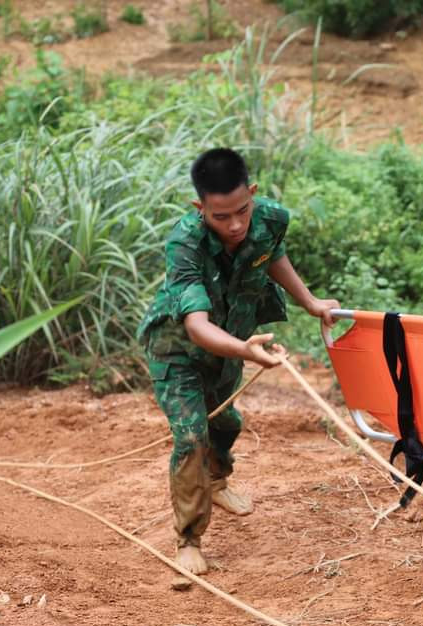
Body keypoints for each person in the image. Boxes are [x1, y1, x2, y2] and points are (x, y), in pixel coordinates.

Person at [137, 148, 339, 576]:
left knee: (225, 423)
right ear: (200, 208)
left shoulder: (269, 219)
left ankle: (217, 480)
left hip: (230, 338)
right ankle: (189, 538)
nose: (235, 225)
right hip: (178, 350)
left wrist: (310, 302)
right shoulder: (185, 241)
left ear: (253, 193)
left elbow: (272, 255)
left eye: (241, 211)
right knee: (192, 435)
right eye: (220, 217)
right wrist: (246, 350)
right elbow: (195, 325)